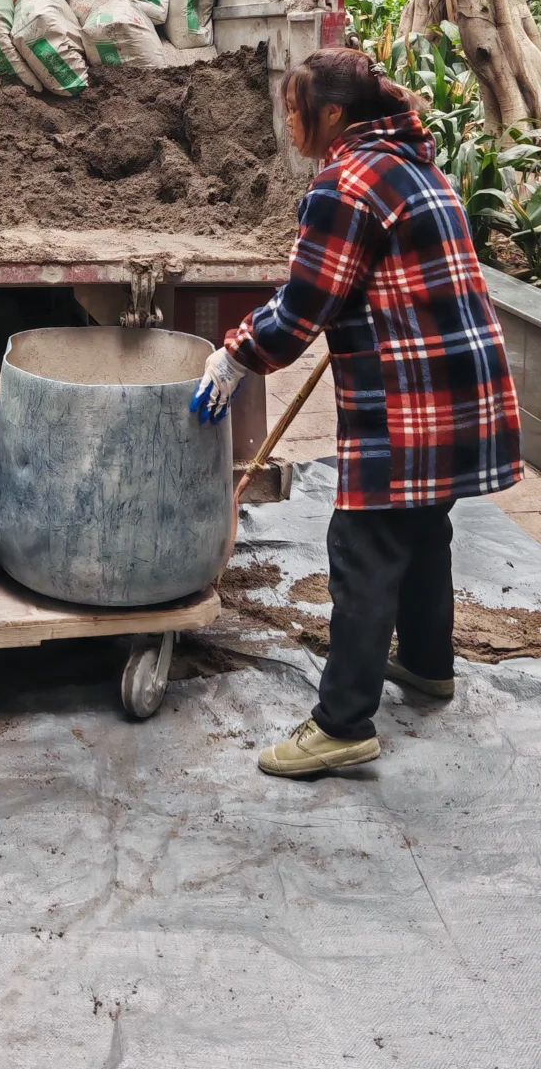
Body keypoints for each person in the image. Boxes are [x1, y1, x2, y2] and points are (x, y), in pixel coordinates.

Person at [191, 46, 523, 778]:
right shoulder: (412, 162)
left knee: (363, 549)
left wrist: (238, 354)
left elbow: (305, 305)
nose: (289, 124)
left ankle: (342, 725)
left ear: (332, 113)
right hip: (459, 381)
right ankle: (431, 665)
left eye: (293, 110)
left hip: (411, 393)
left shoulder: (347, 182)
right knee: (423, 525)